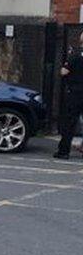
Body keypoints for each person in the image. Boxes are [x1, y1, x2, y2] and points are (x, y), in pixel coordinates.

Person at [54, 29, 83, 159]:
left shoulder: (75, 55)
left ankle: (63, 151)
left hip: (75, 92)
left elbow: (64, 72)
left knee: (70, 123)